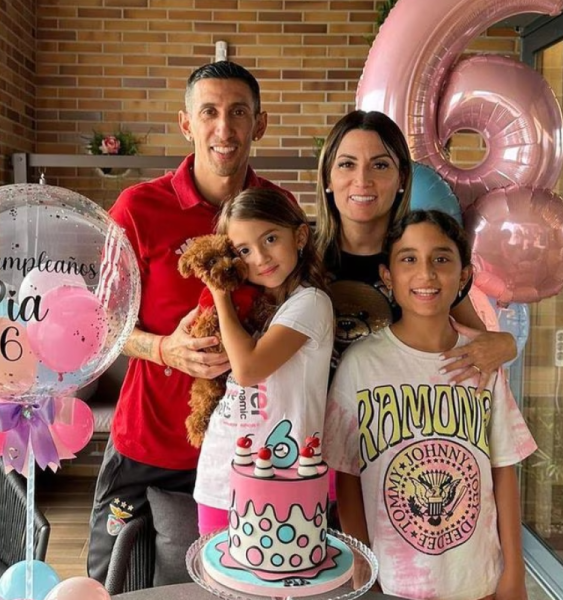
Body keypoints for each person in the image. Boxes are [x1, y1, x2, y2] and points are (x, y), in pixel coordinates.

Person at [86, 61, 293, 584]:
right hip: (148, 443)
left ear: (259, 124)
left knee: (236, 587)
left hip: (248, 447)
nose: (224, 128)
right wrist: (163, 349)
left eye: (238, 113)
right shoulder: (137, 209)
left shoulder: (279, 209)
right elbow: (97, 324)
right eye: (209, 112)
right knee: (114, 585)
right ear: (186, 123)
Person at [323, 210, 537, 600]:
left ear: (464, 275)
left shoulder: (482, 362)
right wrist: (363, 564)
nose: (426, 273)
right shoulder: (361, 364)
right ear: (388, 276)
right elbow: (347, 476)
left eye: (441, 258)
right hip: (393, 581)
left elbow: (503, 469)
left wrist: (514, 571)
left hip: (476, 579)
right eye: (409, 259)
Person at [314, 110, 516, 386]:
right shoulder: (300, 255)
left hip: (398, 409)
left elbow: (480, 344)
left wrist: (506, 344)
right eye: (347, 164)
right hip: (309, 413)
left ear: (402, 178)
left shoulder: (423, 258)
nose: (362, 180)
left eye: (380, 165)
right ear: (328, 177)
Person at [194, 188, 334, 535]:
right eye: (243, 250)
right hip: (220, 470)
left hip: (285, 476)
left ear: (299, 237)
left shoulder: (311, 303)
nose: (260, 258)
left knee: (280, 568)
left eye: (270, 239)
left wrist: (219, 293)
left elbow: (247, 369)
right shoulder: (253, 305)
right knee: (216, 569)